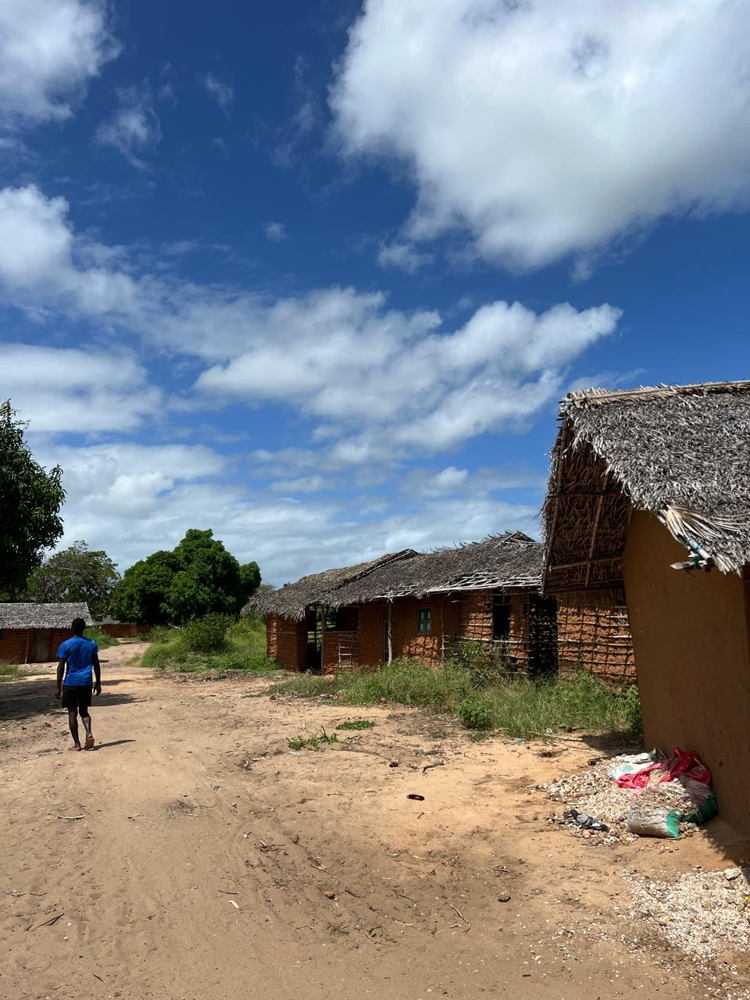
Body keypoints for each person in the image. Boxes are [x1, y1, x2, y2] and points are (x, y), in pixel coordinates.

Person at [56, 618, 101, 751]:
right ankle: (88, 733)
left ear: (72, 628)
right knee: (84, 711)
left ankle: (77, 744)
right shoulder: (91, 644)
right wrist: (98, 683)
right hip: (86, 682)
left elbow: (61, 666)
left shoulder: (66, 644)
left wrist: (58, 687)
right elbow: (96, 664)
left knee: (72, 713)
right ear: (84, 628)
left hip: (70, 682)